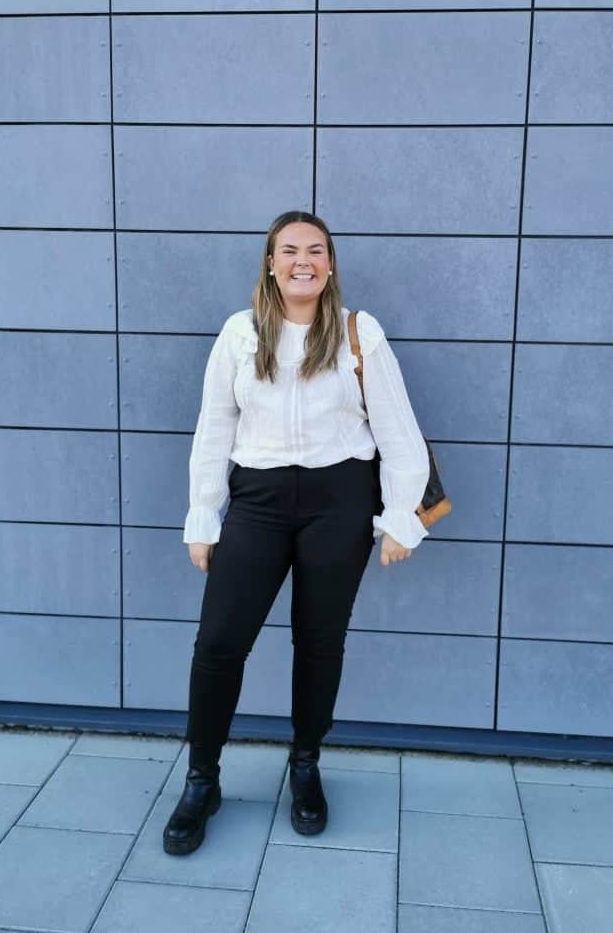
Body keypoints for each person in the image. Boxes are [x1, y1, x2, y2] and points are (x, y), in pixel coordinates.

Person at [163, 209, 430, 855]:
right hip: (257, 501)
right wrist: (203, 516)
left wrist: (402, 516)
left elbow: (398, 430)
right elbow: (213, 430)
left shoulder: (359, 332)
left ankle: (305, 764)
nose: (302, 260)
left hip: (339, 502)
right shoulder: (239, 333)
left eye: (315, 250)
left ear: (330, 266)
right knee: (218, 642)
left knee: (319, 642)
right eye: (289, 250)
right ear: (270, 263)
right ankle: (202, 779)